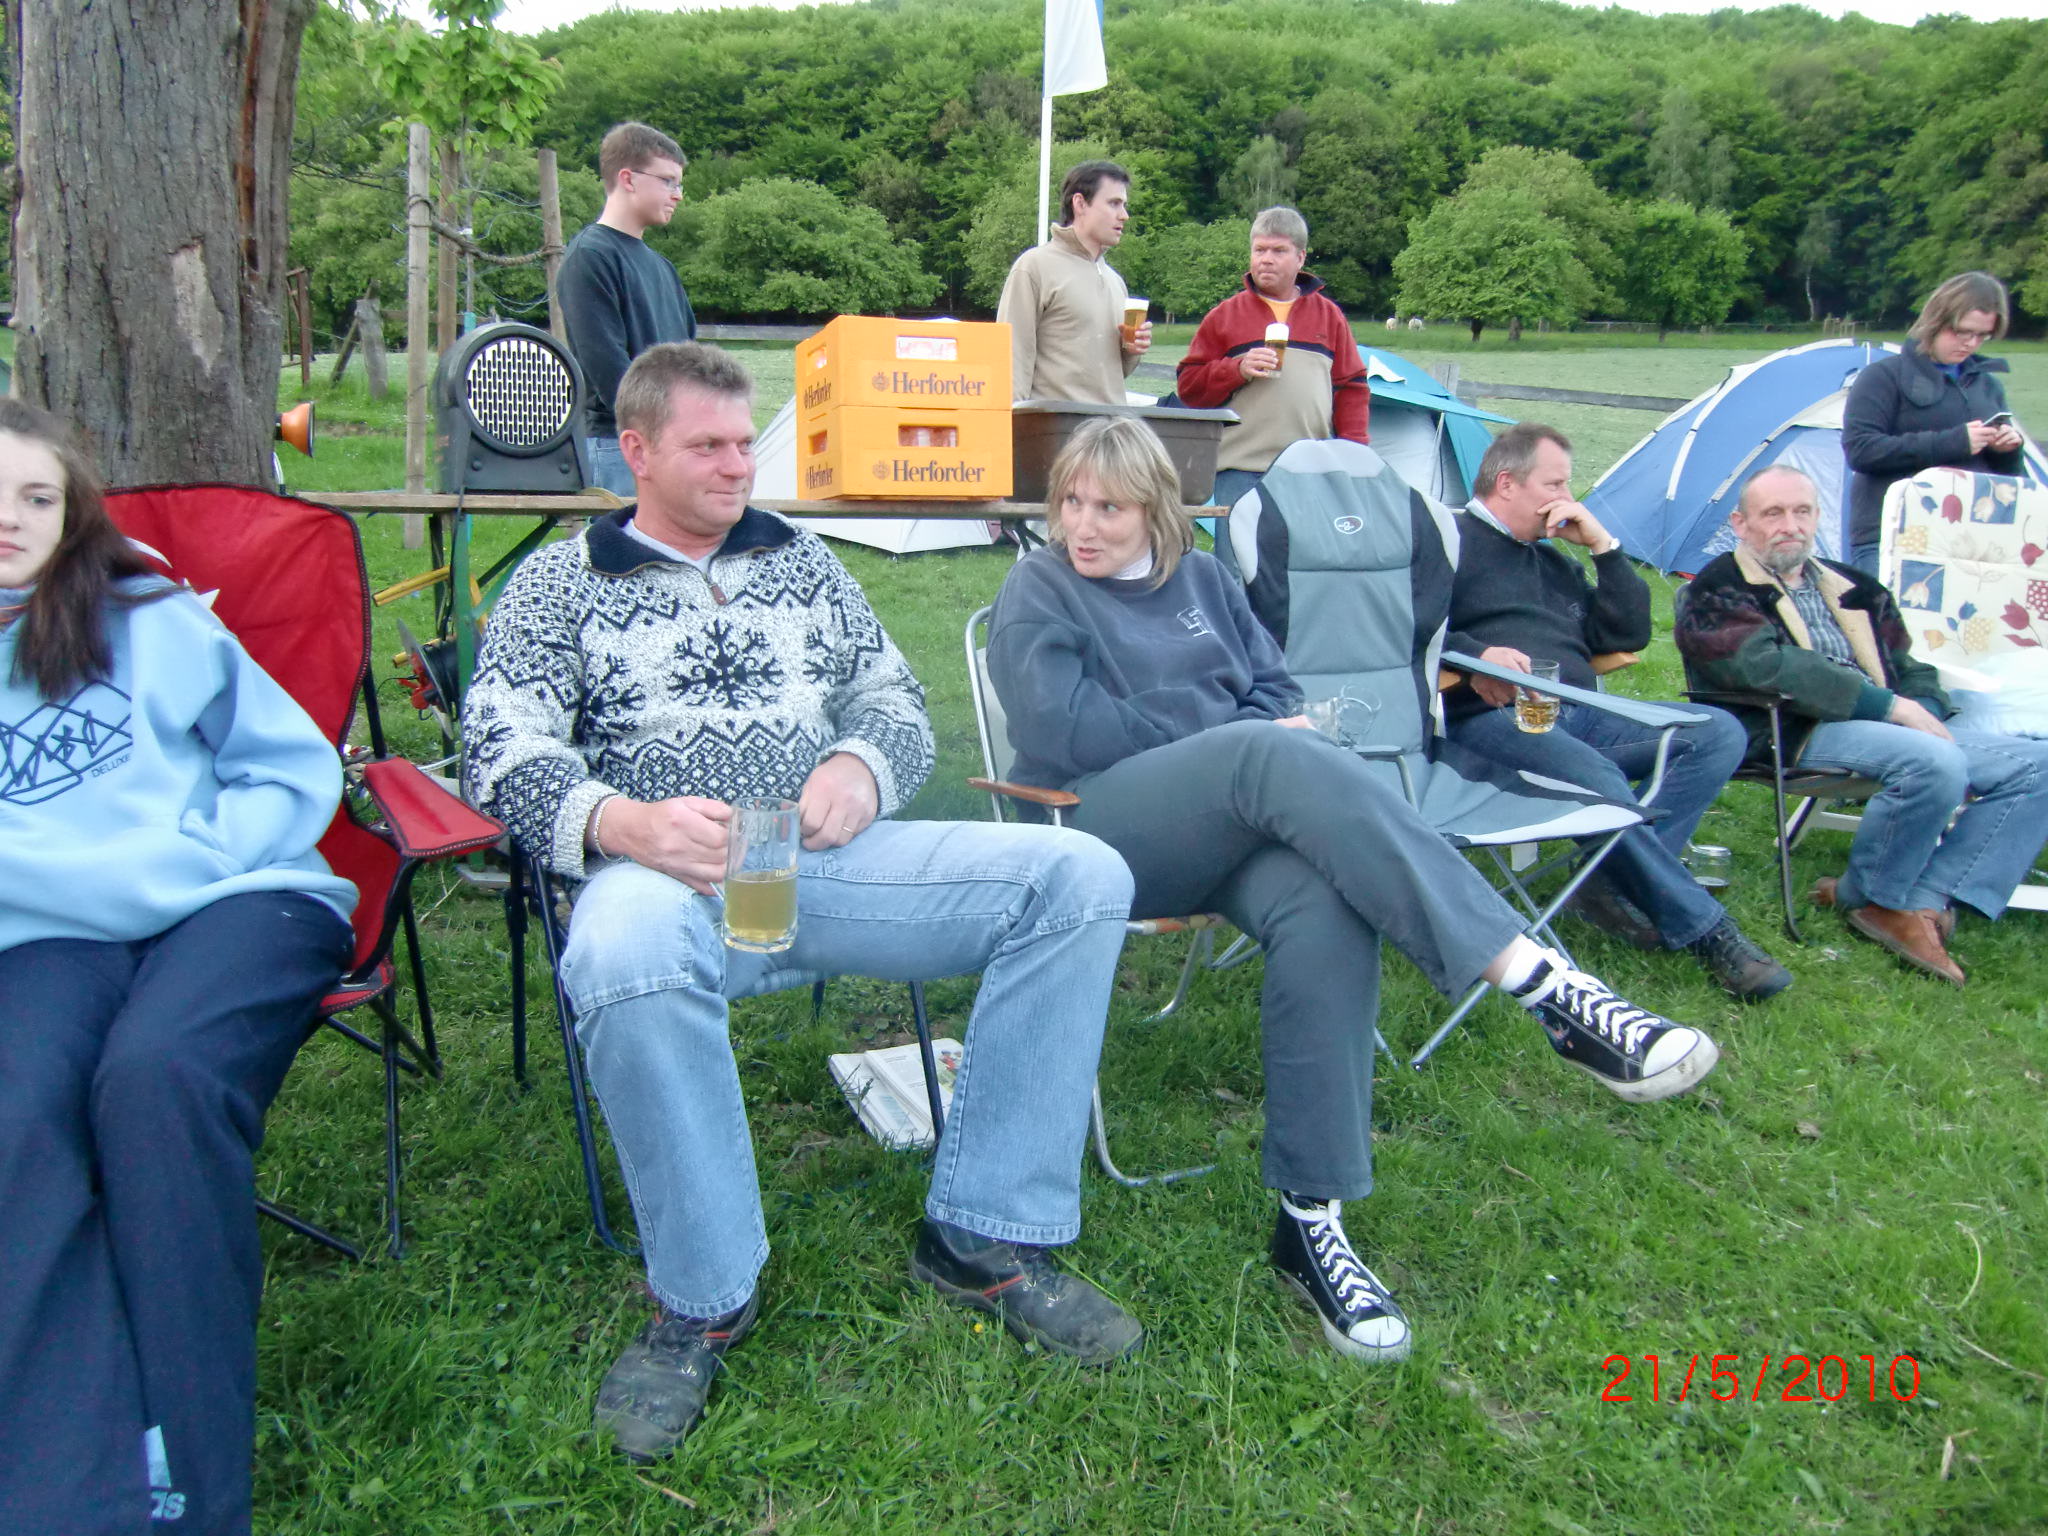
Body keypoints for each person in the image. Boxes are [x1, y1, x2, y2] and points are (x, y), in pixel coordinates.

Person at [461, 343, 1142, 1461]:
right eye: (709, 447)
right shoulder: (558, 583)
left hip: (823, 862)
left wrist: (860, 769)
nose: (740, 466)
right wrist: (616, 823)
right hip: (667, 879)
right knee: (620, 947)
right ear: (636, 451)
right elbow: (497, 747)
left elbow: (894, 697)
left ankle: (984, 1234)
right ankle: (705, 1298)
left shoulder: (803, 562)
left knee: (1080, 877)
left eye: (745, 443)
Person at [986, 416, 1720, 1366]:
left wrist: (1240, 735)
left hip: (1234, 818)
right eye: (1072, 503)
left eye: (1110, 508)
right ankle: (1546, 985)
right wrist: (1223, 735)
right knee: (1266, 754)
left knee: (1326, 904)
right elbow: (1063, 727)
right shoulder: (1040, 586)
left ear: (1156, 510)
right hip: (1103, 827)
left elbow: (1277, 689)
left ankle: (1311, 1219)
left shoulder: (1205, 581)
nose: (1084, 526)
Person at [0, 402, 356, 1535]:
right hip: (44, 933)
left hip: (237, 898)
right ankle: (64, 1492)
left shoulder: (148, 617)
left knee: (156, 1080)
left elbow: (288, 766)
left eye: (37, 497)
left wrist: (200, 854)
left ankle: (189, 1489)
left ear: (73, 512)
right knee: (19, 1113)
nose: (11, 520)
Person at [1441, 423, 1790, 1001]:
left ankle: (1608, 881)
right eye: (1555, 484)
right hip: (1492, 719)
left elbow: (1627, 634)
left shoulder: (1554, 560)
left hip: (1581, 711)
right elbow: (1406, 622)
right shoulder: (1447, 539)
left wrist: (1604, 548)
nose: (1567, 498)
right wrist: (1478, 656)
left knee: (1717, 732)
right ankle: (1710, 934)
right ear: (1506, 483)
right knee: (1599, 779)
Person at [1676, 465, 2048, 986]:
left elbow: (1906, 662)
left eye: (1802, 511)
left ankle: (1922, 901)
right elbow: (1764, 667)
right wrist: (1890, 708)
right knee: (1934, 760)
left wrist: (1923, 706)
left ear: (1817, 517)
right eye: (1773, 513)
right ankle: (1879, 898)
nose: (1790, 525)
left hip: (1891, 723)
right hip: (1791, 729)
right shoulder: (1717, 590)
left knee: (2037, 766)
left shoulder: (1852, 584)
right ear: (1741, 523)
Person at [1174, 207, 1370, 510]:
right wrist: (1237, 369)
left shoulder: (1328, 316)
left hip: (1310, 469)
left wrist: (1353, 453)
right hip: (1240, 469)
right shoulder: (1225, 316)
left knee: (1305, 544)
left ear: (1300, 258)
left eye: (1279, 251)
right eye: (1259, 250)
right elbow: (1189, 388)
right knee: (1241, 544)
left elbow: (1352, 388)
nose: (1266, 259)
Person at [1841, 270, 2025, 576]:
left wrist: (2007, 452)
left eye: (1982, 335)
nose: (1970, 343)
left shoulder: (1988, 386)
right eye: (1962, 331)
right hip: (1893, 530)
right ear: (1936, 321)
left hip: (1969, 539)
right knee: (1892, 611)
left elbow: (2006, 480)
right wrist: (1955, 441)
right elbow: (1861, 450)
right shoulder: (1882, 377)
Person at [557, 121, 698, 496]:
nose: (678, 195)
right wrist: (663, 434)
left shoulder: (663, 269)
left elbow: (690, 363)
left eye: (679, 184)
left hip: (672, 449)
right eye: (668, 181)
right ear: (628, 179)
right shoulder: (591, 256)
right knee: (626, 539)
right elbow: (608, 368)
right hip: (619, 448)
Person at [997, 160, 1149, 403]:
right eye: (1114, 203)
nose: (1124, 215)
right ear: (1080, 203)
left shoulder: (1116, 282)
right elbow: (1011, 360)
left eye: (1124, 205)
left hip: (1112, 424)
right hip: (1055, 424)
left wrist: (1131, 351)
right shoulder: (1034, 267)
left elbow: (1115, 375)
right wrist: (1011, 421)